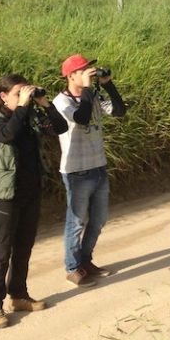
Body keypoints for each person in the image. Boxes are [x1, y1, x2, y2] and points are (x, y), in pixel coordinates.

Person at [0, 73, 68, 329]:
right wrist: (22, 106)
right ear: (3, 96)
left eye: (25, 92)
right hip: (3, 196)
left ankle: (18, 296)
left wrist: (45, 104)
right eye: (17, 93)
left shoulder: (30, 117)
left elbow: (60, 128)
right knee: (1, 251)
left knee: (24, 247)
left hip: (29, 192)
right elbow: (8, 135)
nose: (23, 98)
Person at [53, 54, 127, 287]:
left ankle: (86, 261)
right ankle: (73, 268)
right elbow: (82, 118)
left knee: (98, 220)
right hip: (76, 171)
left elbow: (119, 111)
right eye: (83, 70)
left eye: (89, 69)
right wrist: (87, 89)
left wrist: (108, 84)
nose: (89, 72)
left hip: (98, 165)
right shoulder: (60, 102)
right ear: (71, 75)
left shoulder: (93, 95)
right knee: (76, 222)